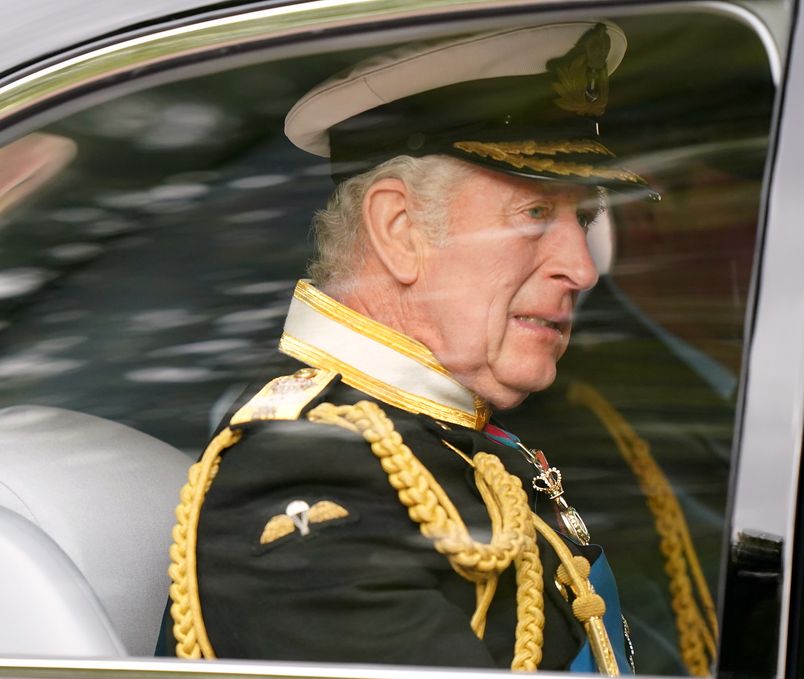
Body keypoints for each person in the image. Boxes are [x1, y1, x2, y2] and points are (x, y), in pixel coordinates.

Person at [162, 20, 656, 674]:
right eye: (536, 213)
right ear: (399, 230)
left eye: (583, 219)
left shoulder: (447, 439)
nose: (582, 269)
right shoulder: (303, 476)